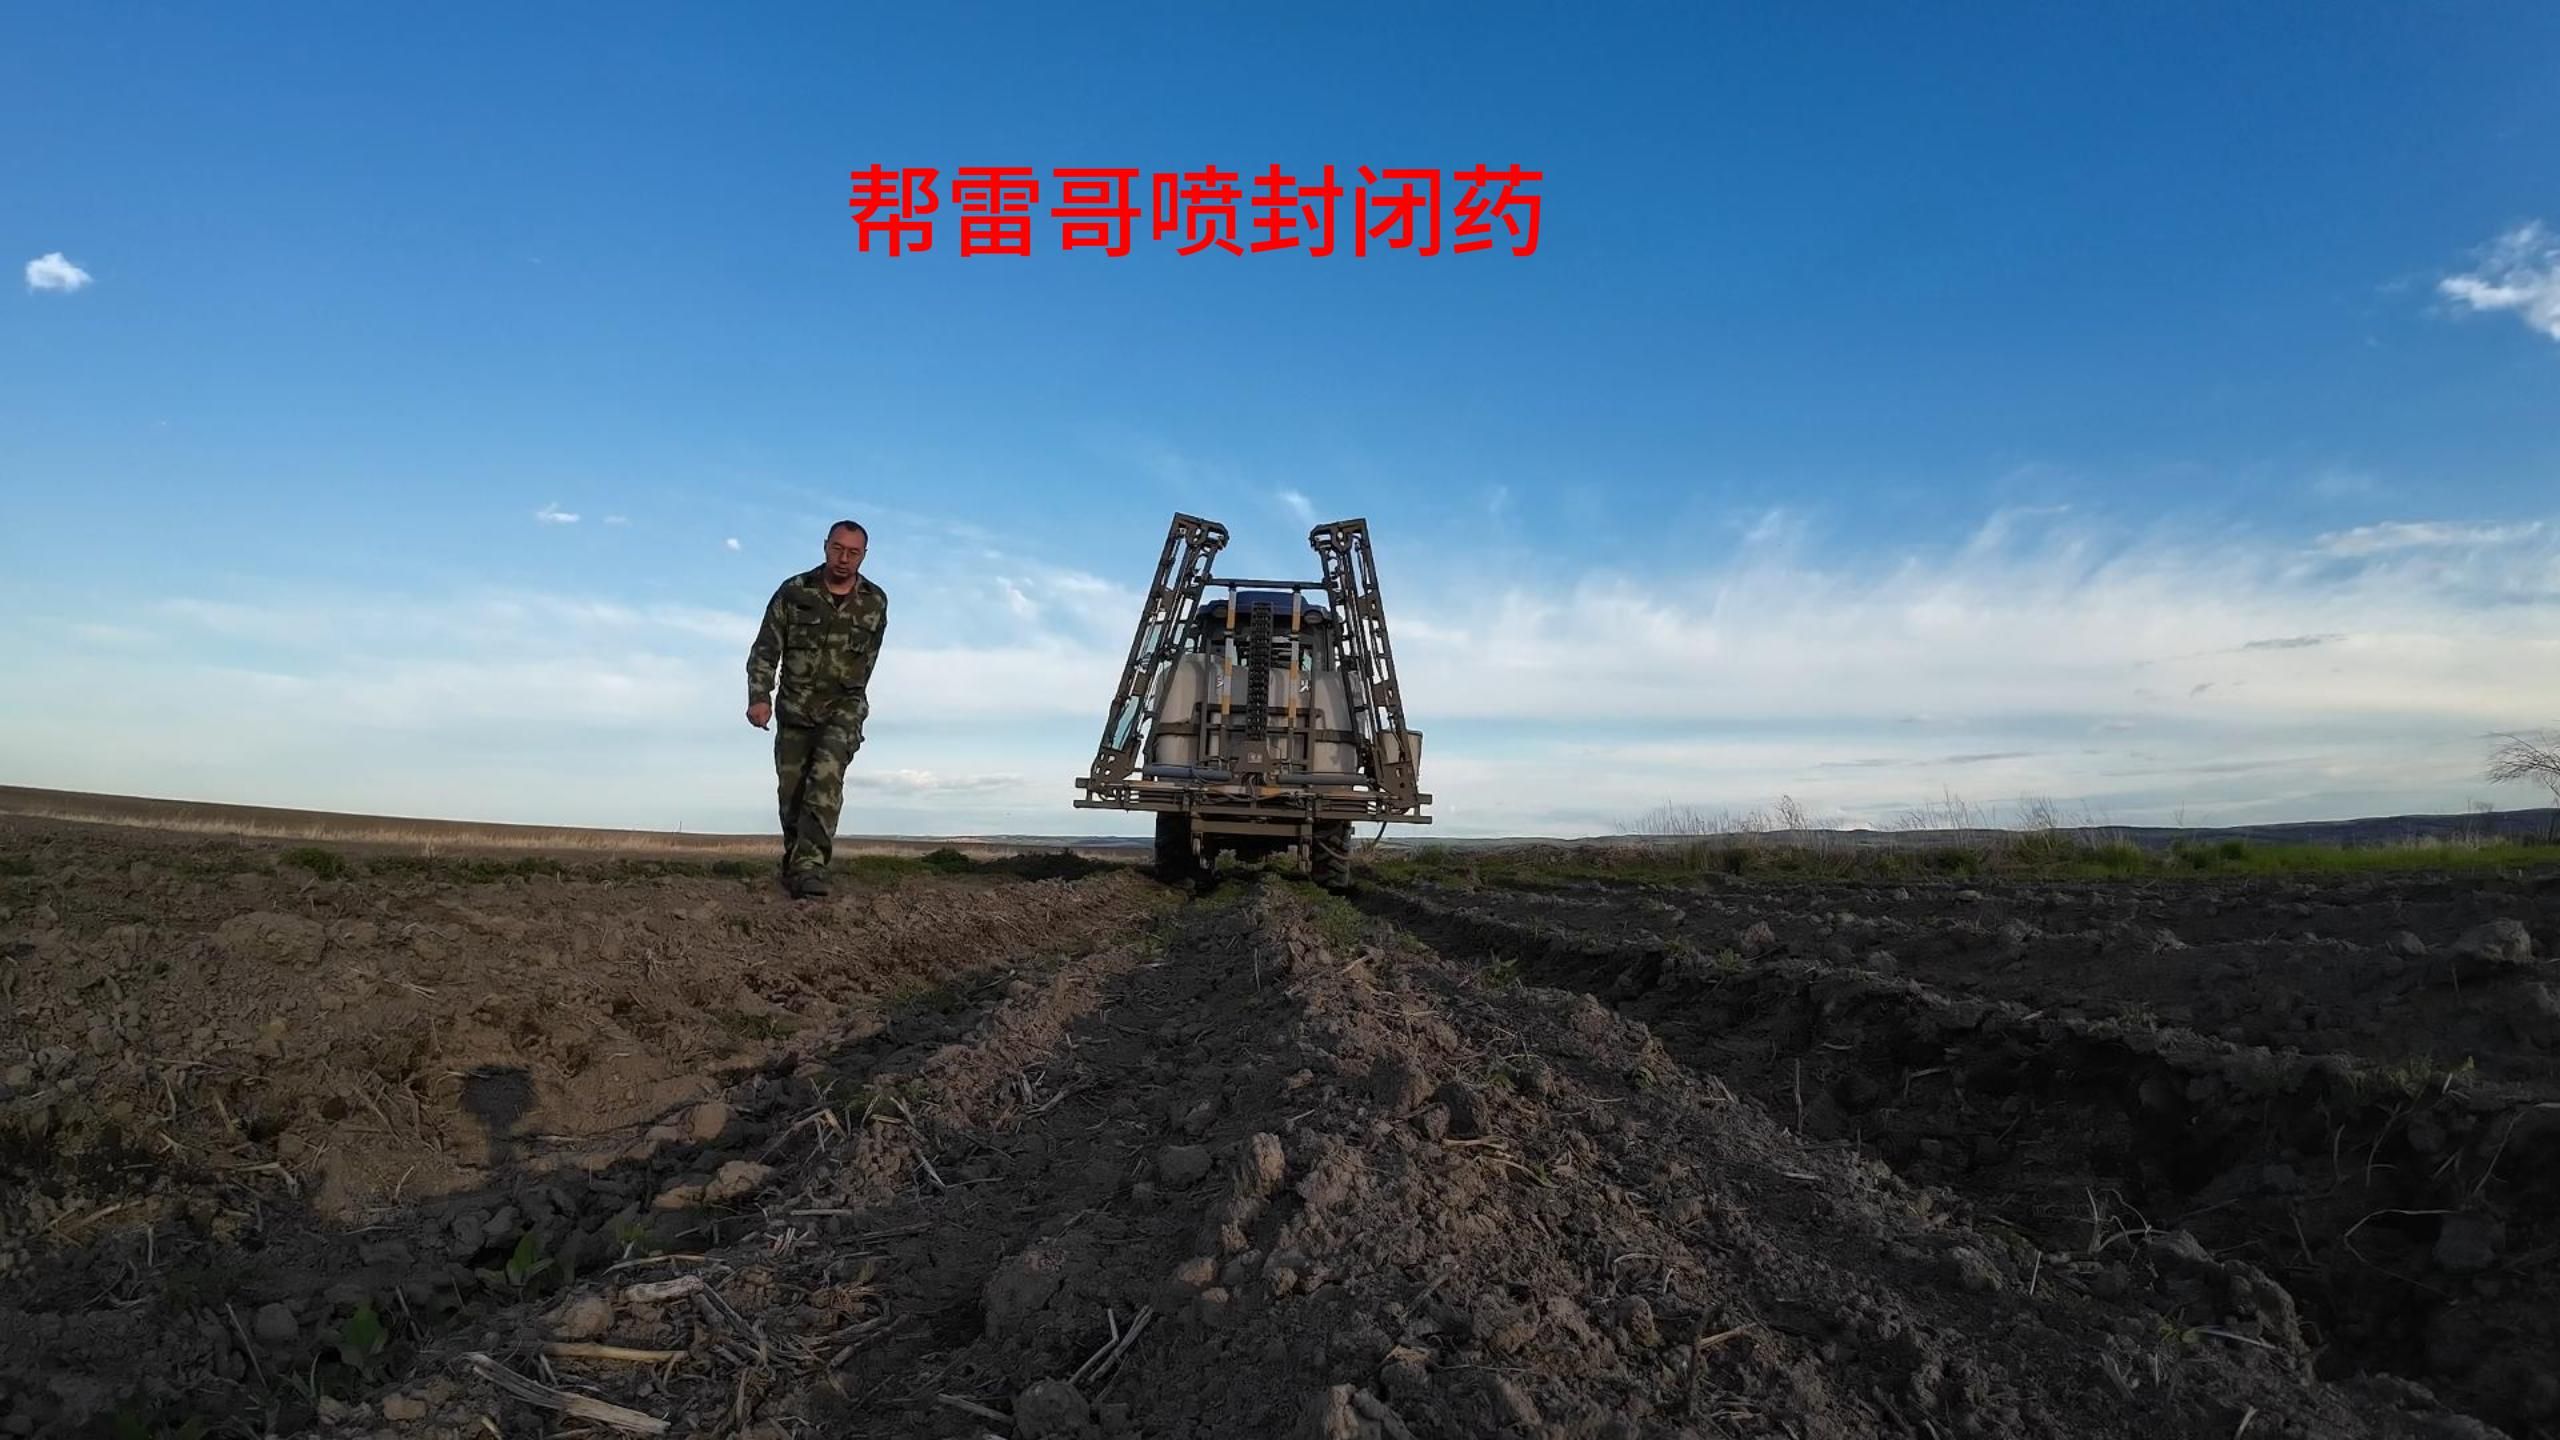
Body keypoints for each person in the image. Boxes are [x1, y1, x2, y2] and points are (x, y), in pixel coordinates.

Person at [746, 521, 889, 897]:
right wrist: (759, 696)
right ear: (825, 546)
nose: (844, 559)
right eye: (838, 549)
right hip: (795, 709)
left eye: (853, 552)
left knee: (824, 781)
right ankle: (796, 866)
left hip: (843, 708)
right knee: (792, 794)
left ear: (864, 555)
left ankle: (811, 869)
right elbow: (765, 648)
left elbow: (868, 663)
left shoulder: (875, 601)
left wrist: (854, 713)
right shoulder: (794, 593)